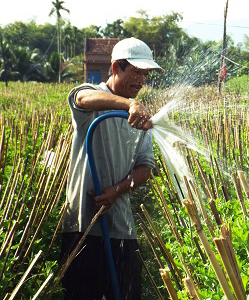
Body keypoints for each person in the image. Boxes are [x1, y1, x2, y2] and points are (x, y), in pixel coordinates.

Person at [61, 37, 161, 300]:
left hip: (121, 227)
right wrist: (128, 104)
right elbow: (82, 98)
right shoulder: (92, 96)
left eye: (145, 74)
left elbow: (145, 167)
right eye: (136, 72)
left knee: (128, 294)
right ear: (116, 68)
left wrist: (116, 191)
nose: (141, 81)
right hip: (83, 224)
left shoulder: (139, 120)